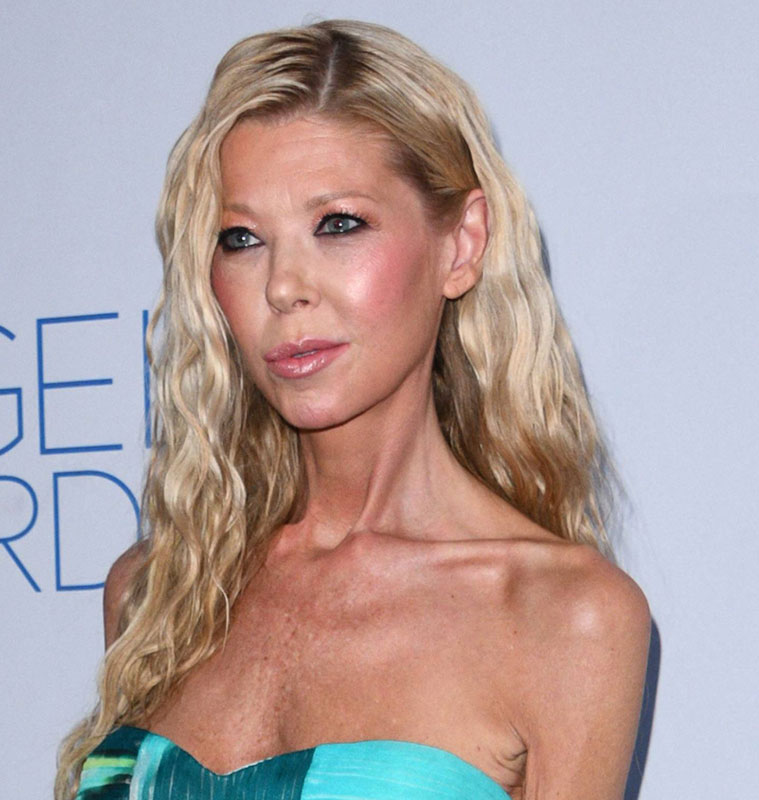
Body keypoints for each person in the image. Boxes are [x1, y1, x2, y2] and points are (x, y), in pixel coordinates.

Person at [56, 18, 650, 800]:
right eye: (242, 238)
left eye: (338, 225)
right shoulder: (155, 592)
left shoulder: (561, 617)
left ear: (462, 244)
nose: (283, 286)